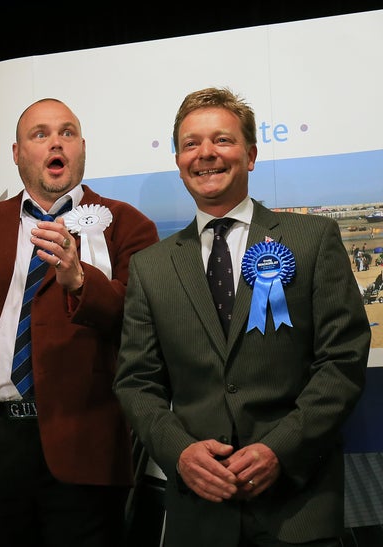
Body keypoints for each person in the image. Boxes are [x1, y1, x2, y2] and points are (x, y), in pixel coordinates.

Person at [113, 86, 370, 547]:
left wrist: (280, 448)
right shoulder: (151, 267)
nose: (206, 153)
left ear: (250, 155)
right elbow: (137, 382)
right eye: (191, 143)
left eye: (222, 140)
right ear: (178, 160)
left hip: (298, 508)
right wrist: (181, 452)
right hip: (199, 512)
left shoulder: (313, 240)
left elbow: (343, 361)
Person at [0, 97, 159, 547]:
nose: (56, 143)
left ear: (82, 148)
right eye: (41, 134)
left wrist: (79, 281)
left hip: (82, 443)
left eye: (67, 133)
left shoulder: (126, 224)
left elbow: (140, 326)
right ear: (16, 153)